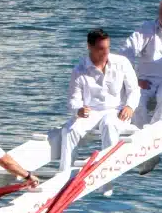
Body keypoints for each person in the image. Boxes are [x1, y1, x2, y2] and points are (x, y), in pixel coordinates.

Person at [59, 30, 140, 171]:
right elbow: (73, 100)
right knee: (69, 130)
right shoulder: (79, 70)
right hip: (91, 112)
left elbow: (134, 90)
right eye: (101, 49)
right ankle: (64, 173)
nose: (105, 52)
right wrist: (78, 109)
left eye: (108, 48)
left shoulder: (122, 63)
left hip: (116, 111)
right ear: (89, 47)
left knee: (109, 124)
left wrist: (130, 106)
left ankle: (108, 170)